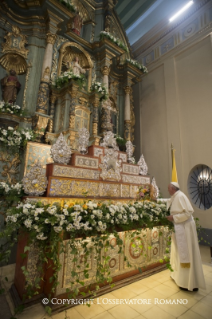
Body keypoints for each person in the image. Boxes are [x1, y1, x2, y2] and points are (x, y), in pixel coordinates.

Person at [166, 182, 206, 291]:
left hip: (185, 228)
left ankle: (189, 282)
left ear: (173, 189)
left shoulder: (180, 196)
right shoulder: (175, 197)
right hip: (180, 227)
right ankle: (180, 278)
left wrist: (173, 217)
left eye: (169, 188)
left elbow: (188, 213)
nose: (168, 190)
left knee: (187, 253)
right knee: (180, 253)